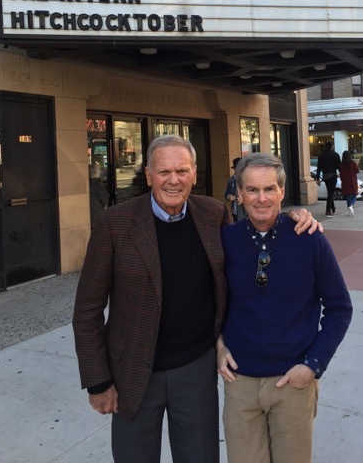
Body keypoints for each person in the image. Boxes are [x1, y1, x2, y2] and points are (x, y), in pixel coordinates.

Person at [73, 135, 320, 463]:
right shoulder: (114, 223)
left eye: (182, 171)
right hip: (133, 372)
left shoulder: (213, 214)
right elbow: (88, 308)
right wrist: (98, 381)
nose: (173, 180)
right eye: (164, 172)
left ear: (194, 173)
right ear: (148, 175)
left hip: (196, 368)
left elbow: (250, 243)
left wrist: (293, 219)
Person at [217, 153, 352, 463]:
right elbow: (209, 301)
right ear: (239, 193)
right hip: (240, 384)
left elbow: (339, 308)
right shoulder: (224, 240)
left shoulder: (309, 239)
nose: (261, 198)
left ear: (281, 192)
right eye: (252, 190)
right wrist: (218, 344)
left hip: (293, 383)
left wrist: (313, 364)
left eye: (269, 189)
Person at [316, 141, 341, 217]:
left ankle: (333, 208)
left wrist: (318, 178)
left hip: (325, 176)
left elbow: (319, 167)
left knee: (330, 192)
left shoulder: (321, 155)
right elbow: (339, 166)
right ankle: (328, 210)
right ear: (332, 146)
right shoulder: (335, 155)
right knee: (330, 193)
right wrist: (341, 174)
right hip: (333, 175)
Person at [89, 162, 109, 228]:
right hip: (96, 212)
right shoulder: (95, 183)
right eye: (99, 170)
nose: (100, 172)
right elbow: (105, 196)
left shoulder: (89, 182)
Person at [339, 150, 359, 216]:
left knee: (348, 195)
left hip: (345, 181)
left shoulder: (342, 164)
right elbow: (357, 170)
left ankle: (349, 209)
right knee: (354, 194)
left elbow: (341, 173)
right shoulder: (352, 163)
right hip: (352, 180)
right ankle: (352, 205)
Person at [225, 157, 245, 221]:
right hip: (235, 210)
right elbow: (227, 193)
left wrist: (243, 199)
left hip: (246, 210)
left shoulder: (247, 179)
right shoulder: (231, 180)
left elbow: (253, 193)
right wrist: (229, 196)